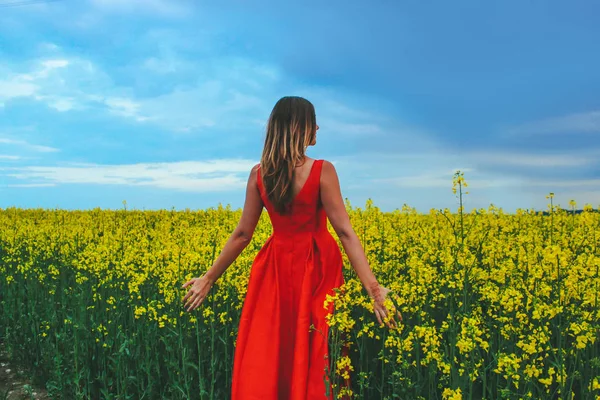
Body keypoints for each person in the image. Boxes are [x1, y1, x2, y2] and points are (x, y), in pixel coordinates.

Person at [181, 96, 402, 399]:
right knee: (319, 348)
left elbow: (243, 234)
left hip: (274, 270)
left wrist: (209, 278)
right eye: (313, 122)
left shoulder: (259, 174)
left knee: (274, 347)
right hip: (318, 270)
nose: (318, 128)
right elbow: (345, 233)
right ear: (300, 127)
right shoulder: (323, 170)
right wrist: (375, 291)